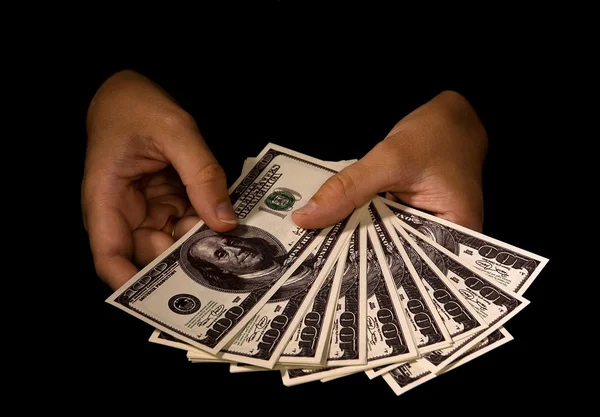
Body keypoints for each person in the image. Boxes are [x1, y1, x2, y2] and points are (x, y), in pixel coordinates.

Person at [81, 68, 489, 291]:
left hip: (423, 178)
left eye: (222, 244)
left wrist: (465, 115)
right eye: (221, 256)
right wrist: (110, 91)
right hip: (162, 182)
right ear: (221, 276)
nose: (231, 245)